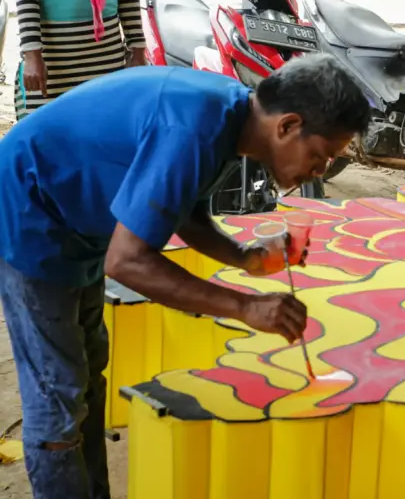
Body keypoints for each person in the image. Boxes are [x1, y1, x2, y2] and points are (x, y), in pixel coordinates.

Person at [0, 54, 371, 499]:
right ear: (287, 126)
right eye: (320, 155)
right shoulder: (192, 129)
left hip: (76, 220)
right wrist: (246, 306)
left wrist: (246, 258)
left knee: (85, 371)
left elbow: (181, 210)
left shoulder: (232, 120)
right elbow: (128, 262)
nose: (320, 170)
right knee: (56, 391)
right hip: (30, 212)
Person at [12, 0, 147, 120]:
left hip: (107, 55)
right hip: (54, 59)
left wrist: (137, 49)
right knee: (50, 129)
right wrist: (31, 54)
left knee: (104, 124)